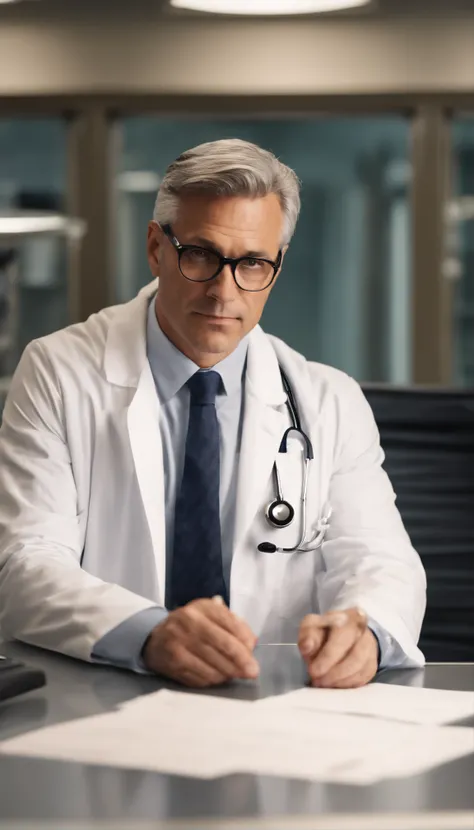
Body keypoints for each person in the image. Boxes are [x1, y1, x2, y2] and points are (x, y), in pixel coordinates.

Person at [0, 139, 426, 689]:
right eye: (200, 255)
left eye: (252, 262)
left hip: (273, 702)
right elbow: (25, 563)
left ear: (277, 265)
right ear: (157, 248)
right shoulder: (60, 372)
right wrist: (148, 633)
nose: (225, 291)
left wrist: (365, 631)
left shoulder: (329, 400)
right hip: (111, 693)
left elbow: (381, 560)